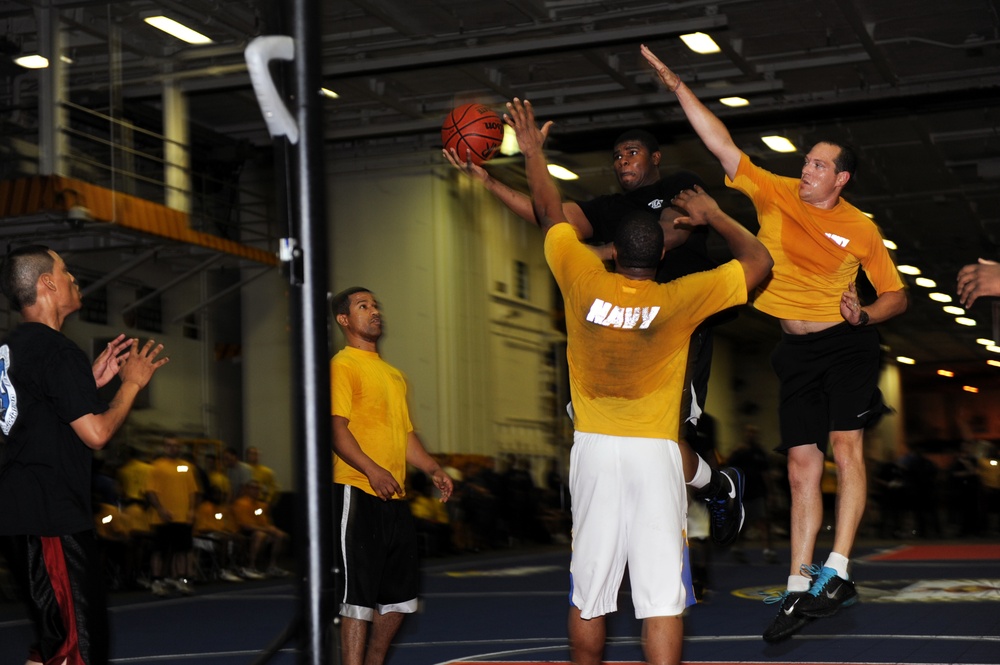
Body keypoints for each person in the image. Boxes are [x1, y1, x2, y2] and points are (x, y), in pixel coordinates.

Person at [639, 44, 908, 642]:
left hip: (846, 343)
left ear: (841, 178)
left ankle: (836, 570)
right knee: (798, 466)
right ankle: (796, 585)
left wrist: (864, 313)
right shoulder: (774, 191)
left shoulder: (862, 229)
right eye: (806, 161)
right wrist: (678, 86)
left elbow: (897, 298)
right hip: (794, 352)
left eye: (817, 166)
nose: (806, 169)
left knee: (845, 448)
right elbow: (722, 144)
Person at [503, 97, 772, 665]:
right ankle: (715, 483)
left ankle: (717, 484)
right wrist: (716, 218)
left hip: (595, 451)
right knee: (661, 603)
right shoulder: (680, 299)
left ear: (613, 253)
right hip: (655, 455)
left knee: (589, 599)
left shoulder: (581, 279)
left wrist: (532, 153)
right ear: (660, 255)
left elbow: (550, 211)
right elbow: (759, 262)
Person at [444, 113, 744, 549]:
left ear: (655, 157)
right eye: (617, 155)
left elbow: (673, 232)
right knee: (604, 428)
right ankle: (661, 510)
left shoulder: (676, 184)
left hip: (675, 325)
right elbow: (547, 214)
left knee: (668, 437)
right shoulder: (607, 208)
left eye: (633, 152)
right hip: (619, 332)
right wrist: (489, 181)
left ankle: (716, 486)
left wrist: (603, 251)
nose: (623, 160)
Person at [0, 244, 168, 665]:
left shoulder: (13, 348)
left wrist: (88, 382)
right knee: (78, 650)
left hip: (19, 517)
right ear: (48, 284)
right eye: (67, 271)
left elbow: (38, 416)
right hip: (52, 520)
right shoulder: (58, 351)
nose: (75, 279)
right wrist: (130, 384)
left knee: (50, 645)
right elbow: (95, 434)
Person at [330, 287, 455, 665]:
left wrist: (432, 467)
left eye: (375, 305)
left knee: (400, 600)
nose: (374, 311)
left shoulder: (393, 375)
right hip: (357, 490)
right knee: (357, 599)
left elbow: (404, 436)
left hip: (394, 497)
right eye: (363, 306)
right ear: (345, 320)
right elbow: (336, 429)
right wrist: (372, 469)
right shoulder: (342, 365)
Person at [146, 436, 200, 596]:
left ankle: (181, 580)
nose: (173, 448)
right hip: (161, 518)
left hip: (182, 518)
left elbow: (192, 491)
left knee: (182, 550)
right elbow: (150, 491)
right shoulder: (155, 467)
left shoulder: (186, 467)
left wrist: (191, 510)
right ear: (164, 448)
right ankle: (157, 581)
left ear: (180, 448)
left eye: (176, 446)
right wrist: (161, 510)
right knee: (159, 551)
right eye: (169, 446)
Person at [231, 480, 288, 578]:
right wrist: (267, 530)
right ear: (247, 490)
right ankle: (251, 566)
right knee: (260, 535)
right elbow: (245, 525)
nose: (256, 491)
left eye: (258, 489)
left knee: (280, 535)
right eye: (253, 488)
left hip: (259, 529)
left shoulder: (261, 505)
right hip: (243, 532)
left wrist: (272, 528)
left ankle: (272, 566)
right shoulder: (241, 503)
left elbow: (264, 522)